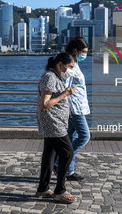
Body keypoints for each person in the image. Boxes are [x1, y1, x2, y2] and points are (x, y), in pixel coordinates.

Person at [36, 52, 78, 204]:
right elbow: (44, 105)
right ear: (60, 64)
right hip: (53, 122)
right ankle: (60, 191)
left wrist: (66, 94)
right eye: (70, 67)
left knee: (50, 155)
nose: (72, 70)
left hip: (57, 121)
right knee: (67, 152)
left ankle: (43, 188)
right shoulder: (50, 77)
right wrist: (65, 94)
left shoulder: (56, 76)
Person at [54, 37, 90, 181]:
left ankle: (68, 171)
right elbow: (64, 84)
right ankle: (58, 162)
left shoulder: (75, 64)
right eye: (84, 52)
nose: (85, 55)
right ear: (76, 51)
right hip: (74, 107)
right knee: (84, 136)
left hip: (79, 105)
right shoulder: (69, 64)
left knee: (71, 137)